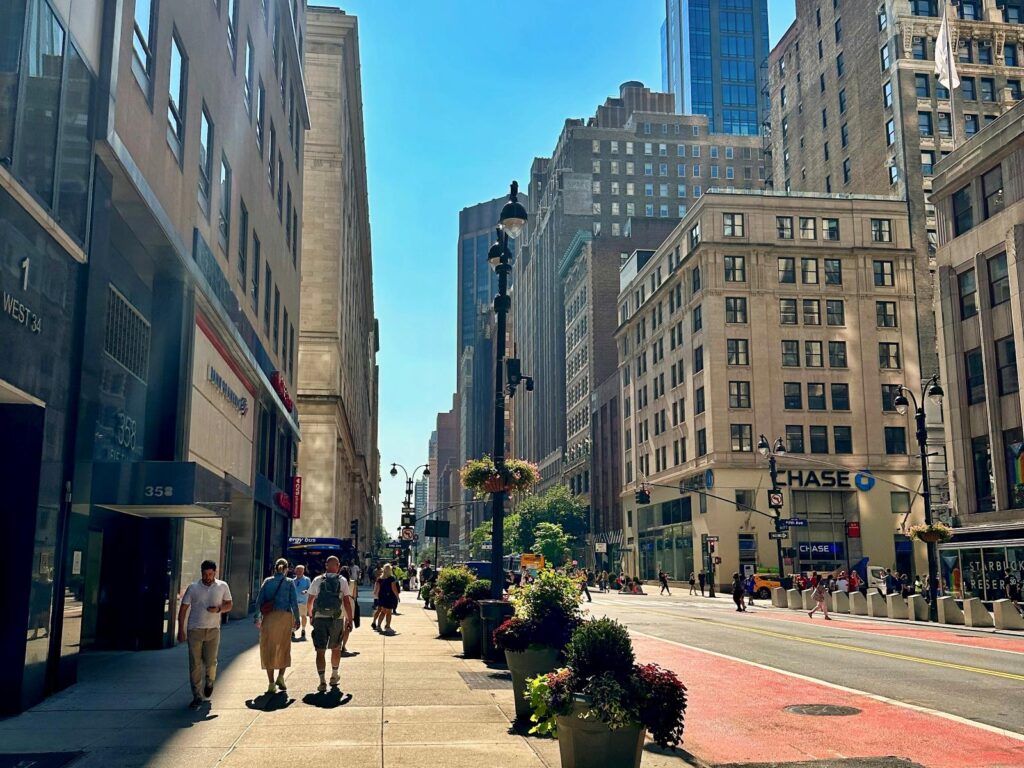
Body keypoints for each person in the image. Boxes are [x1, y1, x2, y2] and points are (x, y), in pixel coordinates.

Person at [177, 560, 233, 709]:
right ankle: (197, 695)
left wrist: (219, 609)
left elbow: (229, 605)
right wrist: (181, 630)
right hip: (195, 629)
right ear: (201, 573)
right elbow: (183, 609)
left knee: (211, 661)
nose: (207, 577)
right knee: (195, 664)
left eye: (210, 574)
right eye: (205, 574)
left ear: (215, 572)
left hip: (213, 629)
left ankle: (210, 681)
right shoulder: (193, 588)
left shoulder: (222, 586)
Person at [306, 556, 354, 693]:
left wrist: (311, 615)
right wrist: (350, 620)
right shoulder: (342, 580)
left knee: (320, 650)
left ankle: (322, 681)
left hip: (320, 618)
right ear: (338, 566)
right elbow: (346, 602)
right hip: (336, 619)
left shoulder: (318, 579)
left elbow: (310, 600)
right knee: (336, 648)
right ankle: (334, 675)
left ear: (326, 565)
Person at [255, 558, 300, 695]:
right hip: (285, 617)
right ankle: (281, 676)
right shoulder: (289, 582)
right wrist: (297, 620)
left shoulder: (267, 582)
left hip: (269, 618)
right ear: (286, 569)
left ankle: (271, 683)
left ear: (275, 569)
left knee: (268, 648)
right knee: (284, 647)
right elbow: (294, 602)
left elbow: (259, 601)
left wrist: (257, 618)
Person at [373, 564, 400, 633]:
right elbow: (394, 589)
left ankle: (378, 626)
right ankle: (387, 626)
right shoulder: (391, 578)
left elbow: (378, 589)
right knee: (389, 613)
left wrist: (376, 595)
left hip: (381, 597)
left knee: (383, 612)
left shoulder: (380, 578)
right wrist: (397, 596)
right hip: (389, 597)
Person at [292, 565, 311, 641]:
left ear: (303, 571)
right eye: (297, 570)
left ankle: (303, 630)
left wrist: (306, 591)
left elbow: (310, 589)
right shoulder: (292, 580)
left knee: (303, 616)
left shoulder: (307, 580)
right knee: (293, 617)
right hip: (294, 602)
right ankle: (293, 631)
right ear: (295, 571)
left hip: (303, 602)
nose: (299, 572)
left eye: (300, 570)